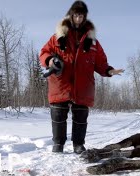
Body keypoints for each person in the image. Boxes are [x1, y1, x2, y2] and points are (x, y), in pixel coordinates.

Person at [39, 0, 124, 154]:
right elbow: (44, 52)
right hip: (60, 83)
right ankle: (58, 144)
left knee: (80, 115)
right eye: (76, 16)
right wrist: (50, 60)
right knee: (58, 113)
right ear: (71, 16)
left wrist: (109, 71)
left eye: (81, 16)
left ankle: (78, 145)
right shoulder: (57, 37)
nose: (78, 19)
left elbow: (100, 62)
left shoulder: (92, 42)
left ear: (85, 17)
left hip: (83, 85)